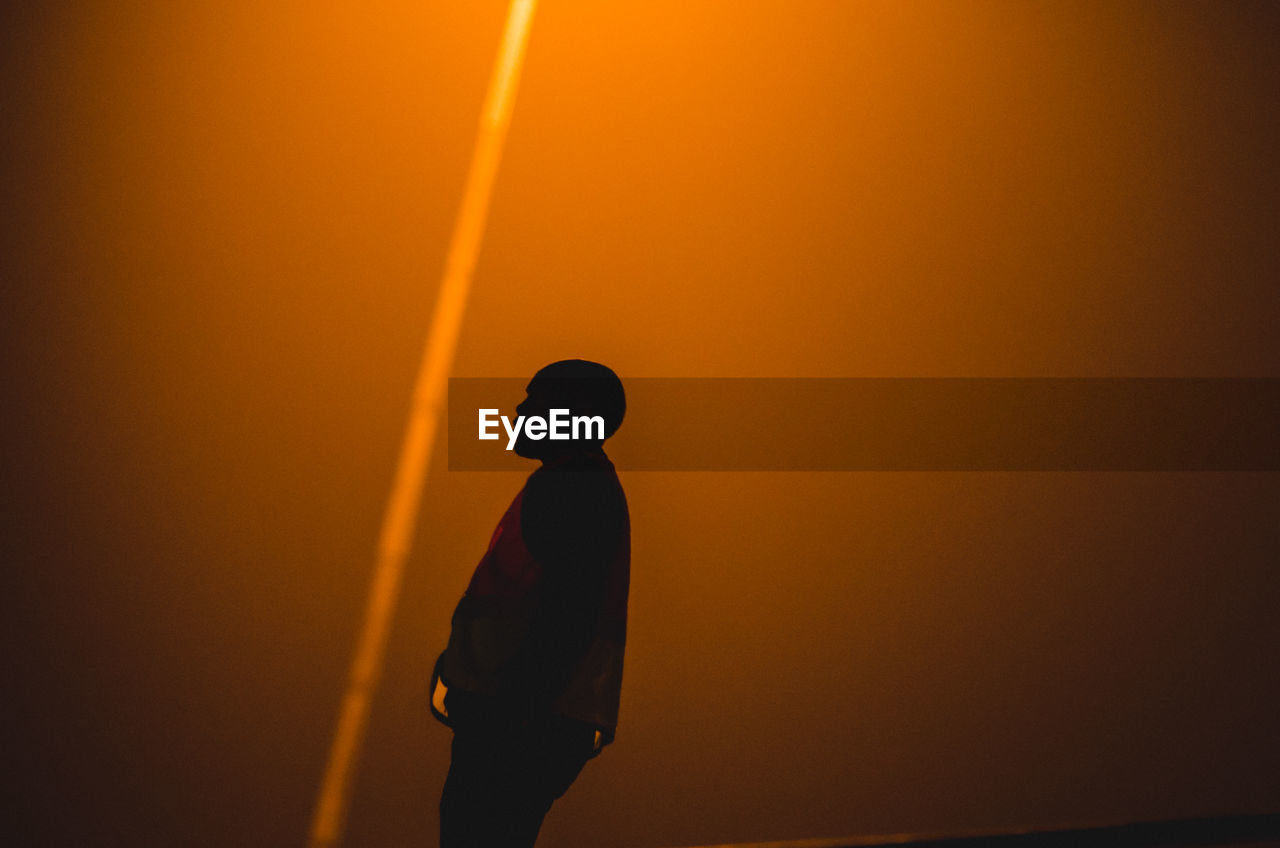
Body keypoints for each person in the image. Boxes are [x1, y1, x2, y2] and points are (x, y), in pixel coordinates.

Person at [431, 360, 630, 848]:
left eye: (533, 400)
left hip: (518, 724)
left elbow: (568, 616)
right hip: (530, 718)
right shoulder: (576, 483)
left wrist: (515, 707)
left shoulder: (571, 489)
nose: (519, 412)